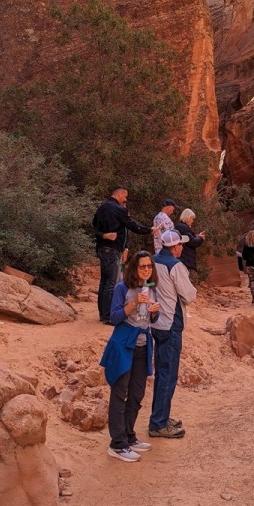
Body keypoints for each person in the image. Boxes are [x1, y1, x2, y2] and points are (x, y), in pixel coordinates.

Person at [99, 251, 161, 462]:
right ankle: (117, 444)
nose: (146, 270)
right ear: (134, 268)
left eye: (149, 266)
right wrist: (134, 303)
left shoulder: (151, 288)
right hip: (124, 346)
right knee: (120, 393)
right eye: (142, 266)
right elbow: (114, 317)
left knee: (136, 393)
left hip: (143, 346)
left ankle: (128, 435)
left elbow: (151, 319)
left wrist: (154, 311)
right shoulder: (122, 288)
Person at [148, 229, 197, 438]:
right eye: (180, 244)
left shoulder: (153, 261)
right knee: (168, 374)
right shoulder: (175, 266)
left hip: (156, 322)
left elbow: (149, 286)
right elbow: (189, 295)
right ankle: (158, 423)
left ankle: (160, 416)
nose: (182, 247)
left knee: (162, 372)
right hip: (171, 324)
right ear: (175, 246)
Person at [92, 185, 154, 324]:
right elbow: (133, 226)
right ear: (119, 194)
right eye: (125, 196)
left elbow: (94, 226)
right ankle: (108, 316)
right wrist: (149, 230)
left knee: (104, 282)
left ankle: (103, 314)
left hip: (102, 248)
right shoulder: (119, 209)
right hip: (112, 249)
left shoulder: (101, 208)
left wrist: (103, 235)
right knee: (111, 283)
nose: (125, 199)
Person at [175, 208, 205, 282]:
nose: (192, 221)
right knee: (186, 281)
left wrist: (198, 237)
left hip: (184, 257)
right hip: (185, 258)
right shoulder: (184, 228)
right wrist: (200, 238)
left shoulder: (181, 226)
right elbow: (193, 242)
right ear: (187, 217)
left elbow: (190, 239)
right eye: (192, 218)